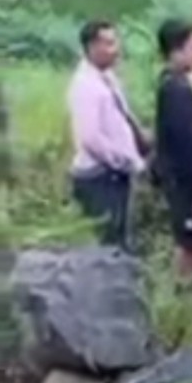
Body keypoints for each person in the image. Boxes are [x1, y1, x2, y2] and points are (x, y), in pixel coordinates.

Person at [67, 20, 148, 251]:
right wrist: (125, 161)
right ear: (92, 47)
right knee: (108, 242)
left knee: (120, 235)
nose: (117, 49)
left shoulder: (108, 77)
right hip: (100, 176)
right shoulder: (85, 85)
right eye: (109, 43)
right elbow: (91, 138)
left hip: (115, 173)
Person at [155, 20, 192, 278]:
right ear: (175, 51)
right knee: (190, 242)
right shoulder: (175, 89)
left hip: (184, 178)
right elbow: (187, 140)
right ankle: (187, 292)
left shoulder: (177, 83)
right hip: (185, 180)